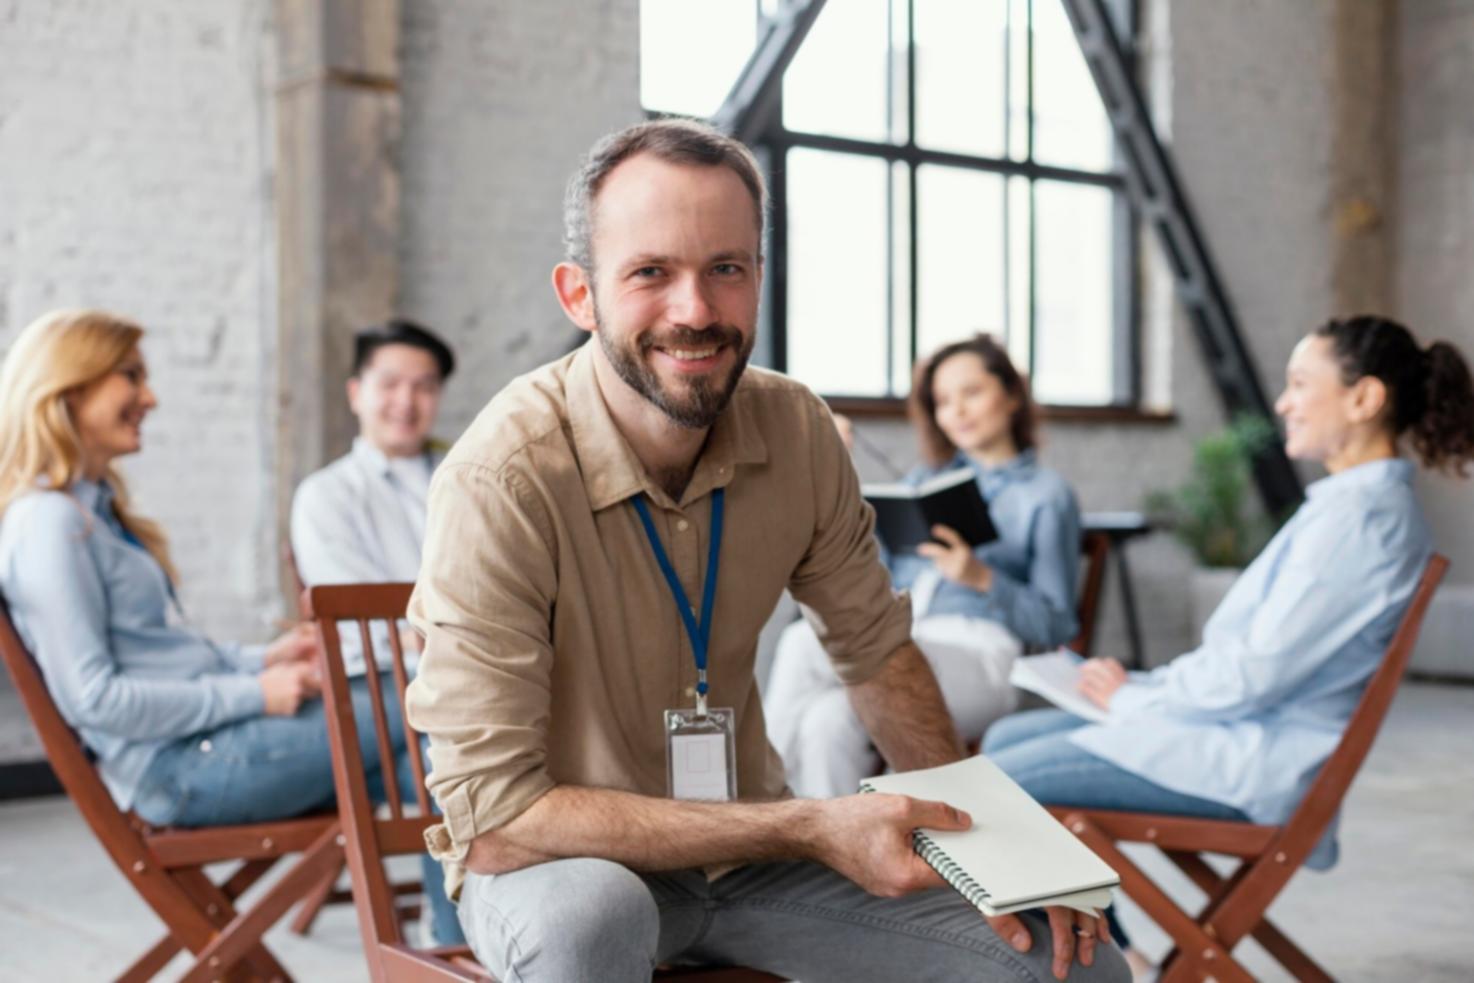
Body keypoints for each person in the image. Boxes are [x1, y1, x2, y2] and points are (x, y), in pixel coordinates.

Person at [403, 118, 1126, 983]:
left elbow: (878, 654)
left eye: (726, 269)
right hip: (559, 867)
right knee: (597, 918)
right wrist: (807, 825)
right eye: (650, 273)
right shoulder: (501, 478)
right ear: (579, 295)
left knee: (1066, 962)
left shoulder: (799, 429)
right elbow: (499, 816)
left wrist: (1012, 858)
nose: (696, 311)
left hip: (750, 869)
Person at [983, 315, 1474, 966]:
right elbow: (1253, 659)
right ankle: (1119, 958)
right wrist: (1142, 688)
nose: (1283, 401)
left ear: (1365, 398)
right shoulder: (1351, 508)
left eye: (1301, 383)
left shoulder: (1360, 522)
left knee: (995, 787)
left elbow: (1253, 674)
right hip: (1241, 734)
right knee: (998, 744)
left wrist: (1132, 698)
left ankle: (1106, 965)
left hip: (1254, 758)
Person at [0, 309, 463, 946]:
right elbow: (95, 700)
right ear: (70, 388)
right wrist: (256, 693)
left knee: (436, 759)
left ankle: (454, 951)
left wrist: (262, 661)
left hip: (203, 743)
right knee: (422, 717)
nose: (150, 396)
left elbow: (172, 656)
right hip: (177, 770)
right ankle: (458, 952)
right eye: (130, 376)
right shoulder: (48, 524)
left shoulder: (92, 511)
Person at [764, 334, 1082, 798]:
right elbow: (867, 574)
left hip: (983, 658)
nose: (958, 411)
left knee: (803, 643)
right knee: (826, 721)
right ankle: (830, 859)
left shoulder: (1045, 495)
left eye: (971, 392)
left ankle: (758, 802)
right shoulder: (922, 483)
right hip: (903, 637)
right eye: (943, 401)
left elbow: (1056, 625)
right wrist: (837, 472)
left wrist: (981, 578)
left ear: (1012, 395)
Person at [290, 318, 455, 674]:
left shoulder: (466, 478)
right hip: (383, 677)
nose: (406, 401)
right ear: (355, 393)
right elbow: (362, 629)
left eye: (424, 387)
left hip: (470, 669)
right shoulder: (326, 495)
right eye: (390, 384)